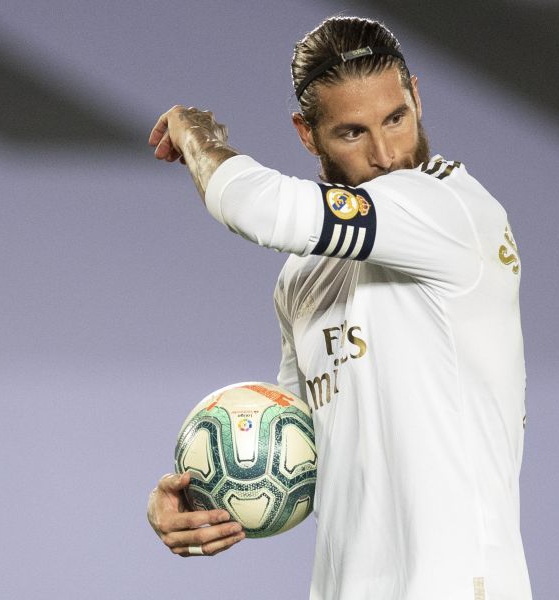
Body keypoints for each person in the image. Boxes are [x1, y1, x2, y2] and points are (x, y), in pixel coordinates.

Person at [146, 16, 531, 600]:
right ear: (308, 135)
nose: (387, 154)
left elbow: (255, 207)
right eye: (353, 133)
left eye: (396, 118)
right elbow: (299, 453)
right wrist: (198, 495)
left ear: (416, 97)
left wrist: (195, 135)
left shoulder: (450, 208)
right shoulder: (303, 275)